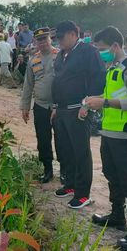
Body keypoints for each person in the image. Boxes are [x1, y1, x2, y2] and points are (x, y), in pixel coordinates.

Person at [87, 26, 127, 251]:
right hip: (109, 131)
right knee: (112, 174)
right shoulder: (114, 67)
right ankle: (117, 216)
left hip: (125, 133)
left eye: (102, 49)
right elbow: (112, 96)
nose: (100, 53)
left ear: (114, 46)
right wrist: (94, 100)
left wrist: (104, 103)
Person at [51, 20, 106, 209]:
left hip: (79, 109)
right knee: (66, 150)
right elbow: (58, 80)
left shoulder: (88, 52)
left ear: (74, 34)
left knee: (81, 151)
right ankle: (71, 185)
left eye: (61, 37)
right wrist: (55, 107)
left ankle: (83, 194)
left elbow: (98, 78)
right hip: (62, 109)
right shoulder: (61, 55)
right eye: (56, 38)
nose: (58, 41)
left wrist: (87, 104)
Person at [20, 28, 59, 183]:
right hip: (41, 105)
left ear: (50, 39)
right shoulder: (33, 60)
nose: (42, 42)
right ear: (35, 42)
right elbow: (28, 85)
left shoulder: (60, 56)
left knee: (62, 139)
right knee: (43, 139)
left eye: (45, 39)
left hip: (59, 106)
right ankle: (47, 169)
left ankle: (66, 171)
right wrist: (25, 106)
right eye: (39, 40)